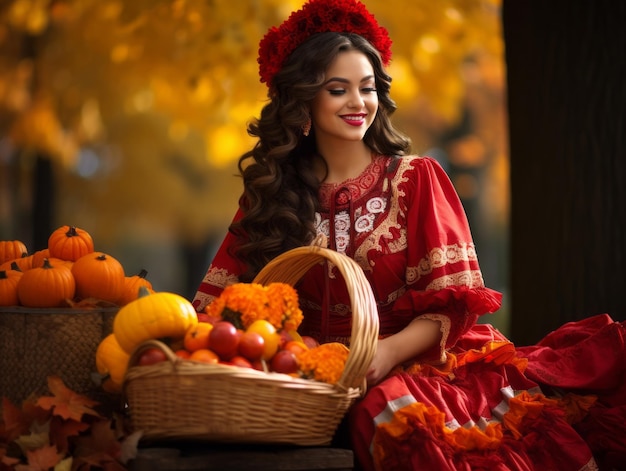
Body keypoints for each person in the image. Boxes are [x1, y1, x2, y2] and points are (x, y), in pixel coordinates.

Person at [193, 0, 626, 469]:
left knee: (391, 412)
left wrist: (383, 354)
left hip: (411, 363)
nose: (358, 103)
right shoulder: (269, 198)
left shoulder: (416, 179)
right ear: (303, 102)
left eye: (368, 87)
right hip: (302, 378)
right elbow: (218, 310)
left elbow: (452, 304)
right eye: (338, 90)